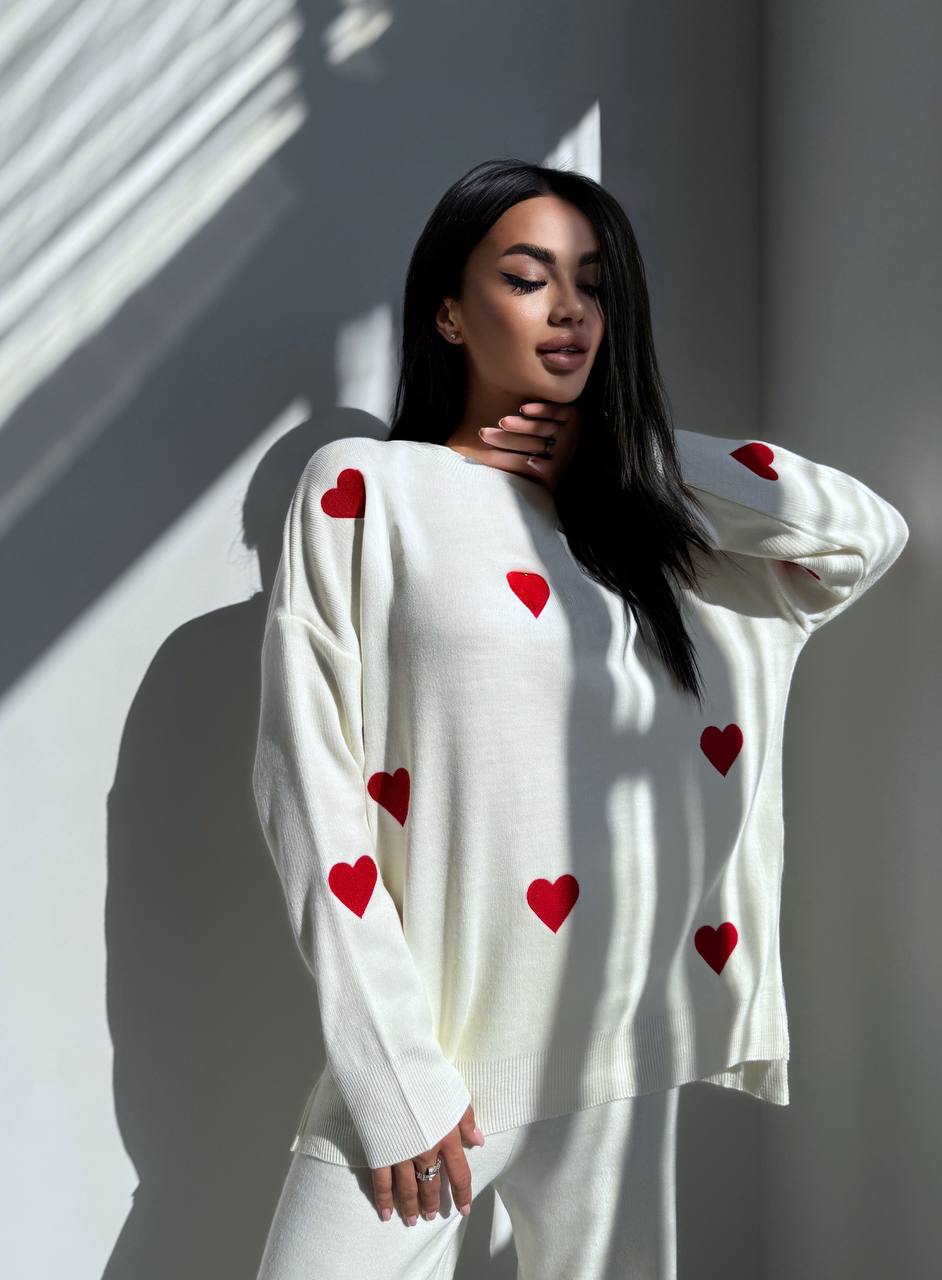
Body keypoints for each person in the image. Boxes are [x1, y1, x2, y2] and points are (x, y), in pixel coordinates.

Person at [250, 158, 910, 1279]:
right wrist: (389, 1072)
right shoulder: (368, 487)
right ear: (449, 311)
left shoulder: (662, 537)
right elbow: (307, 789)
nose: (569, 310)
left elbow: (863, 532)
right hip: (437, 1065)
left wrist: (632, 460)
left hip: (618, 1058)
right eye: (526, 276)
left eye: (594, 285)